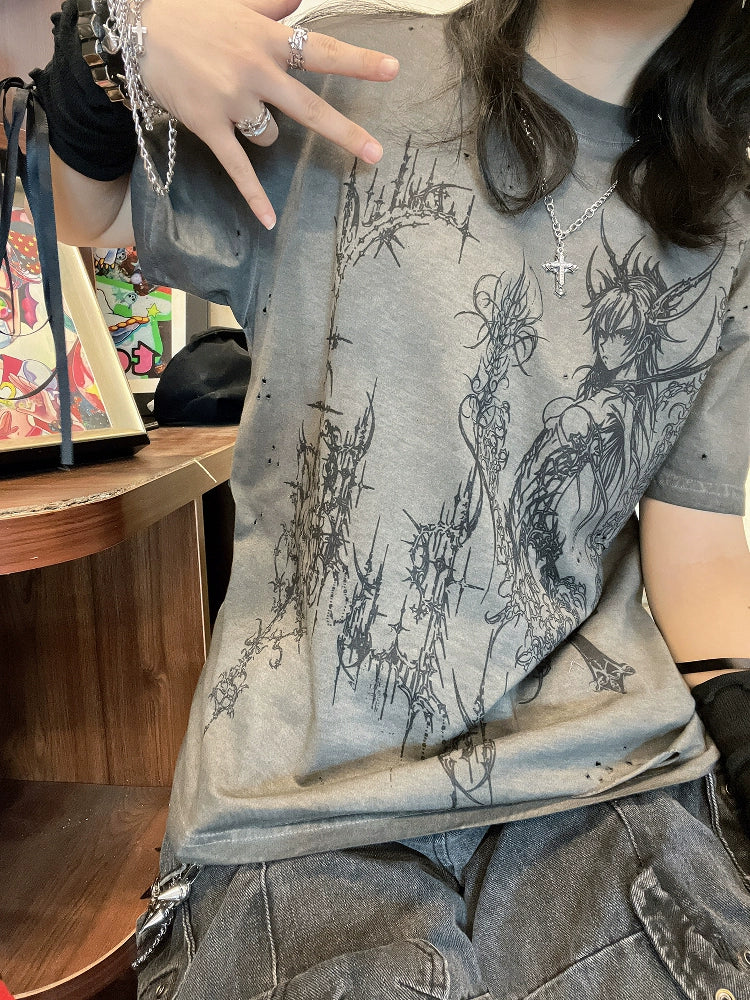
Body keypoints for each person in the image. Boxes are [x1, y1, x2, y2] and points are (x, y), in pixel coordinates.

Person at [19, 0, 750, 995]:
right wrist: (118, 34)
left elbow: (699, 560)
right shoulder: (350, 75)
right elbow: (77, 209)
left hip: (609, 785)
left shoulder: (725, 217)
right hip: (301, 796)